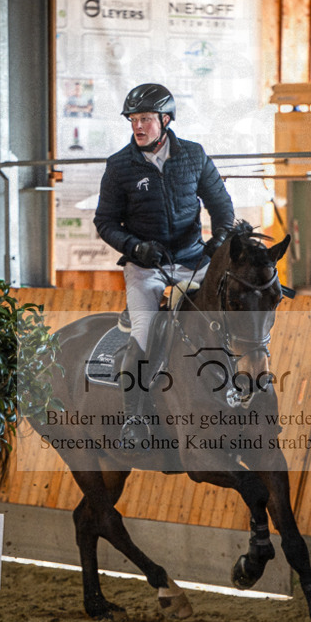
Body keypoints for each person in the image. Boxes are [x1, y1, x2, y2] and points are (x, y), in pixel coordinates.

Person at [94, 82, 235, 447]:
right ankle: (135, 419)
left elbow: (222, 208)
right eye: (133, 119)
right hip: (146, 268)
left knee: (229, 318)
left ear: (165, 119)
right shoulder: (119, 166)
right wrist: (136, 248)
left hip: (193, 259)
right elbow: (105, 223)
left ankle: (242, 390)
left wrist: (217, 242)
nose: (137, 126)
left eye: (144, 119)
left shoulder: (193, 156)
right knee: (142, 334)